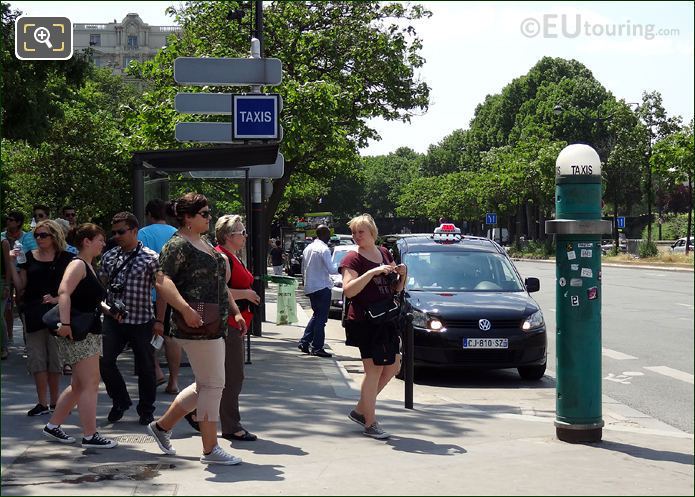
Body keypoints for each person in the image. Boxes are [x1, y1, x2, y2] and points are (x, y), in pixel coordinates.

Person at [147, 193, 247, 466]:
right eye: (204, 213)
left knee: (207, 384)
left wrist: (235, 312)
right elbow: (162, 281)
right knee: (213, 385)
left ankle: (162, 427)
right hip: (196, 324)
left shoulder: (202, 242)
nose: (209, 216)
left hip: (213, 323)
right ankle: (210, 448)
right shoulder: (177, 245)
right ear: (187, 217)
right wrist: (185, 309)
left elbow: (218, 283)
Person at [41, 223, 118, 448]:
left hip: (87, 329)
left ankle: (53, 426)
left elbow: (88, 299)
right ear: (87, 241)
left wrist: (109, 311)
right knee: (90, 383)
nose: (104, 244)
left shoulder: (88, 265)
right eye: (100, 240)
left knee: (79, 383)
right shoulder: (78, 264)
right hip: (78, 331)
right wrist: (65, 323)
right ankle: (90, 435)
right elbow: (64, 292)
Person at [339, 214, 407, 440]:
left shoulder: (384, 253)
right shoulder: (352, 259)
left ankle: (361, 409)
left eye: (361, 232)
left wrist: (402, 276)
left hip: (386, 318)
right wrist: (371, 273)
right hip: (365, 321)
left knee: (394, 365)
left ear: (372, 233)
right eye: (354, 232)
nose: (357, 236)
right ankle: (370, 422)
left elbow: (395, 289)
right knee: (374, 370)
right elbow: (348, 290)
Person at [99, 212, 162, 426]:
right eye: (114, 232)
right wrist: (107, 309)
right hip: (113, 319)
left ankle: (146, 409)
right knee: (104, 361)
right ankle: (120, 400)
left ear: (134, 230)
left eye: (121, 231)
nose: (116, 236)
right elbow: (101, 288)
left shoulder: (150, 257)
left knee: (145, 367)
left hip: (142, 320)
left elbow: (162, 291)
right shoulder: (109, 256)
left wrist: (160, 321)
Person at [8, 220, 74, 416]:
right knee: (37, 359)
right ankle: (42, 403)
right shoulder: (28, 257)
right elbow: (21, 286)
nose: (38, 238)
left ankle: (55, 402)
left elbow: (73, 287)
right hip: (34, 312)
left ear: (54, 236)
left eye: (43, 235)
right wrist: (11, 262)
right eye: (36, 235)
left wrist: (56, 299)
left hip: (57, 314)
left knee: (55, 359)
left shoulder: (67, 258)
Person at [213, 214, 258, 442]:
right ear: (229, 236)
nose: (245, 236)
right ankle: (231, 426)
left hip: (236, 322)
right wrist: (247, 294)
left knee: (219, 376)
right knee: (233, 376)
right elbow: (221, 290)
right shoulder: (223, 256)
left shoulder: (231, 255)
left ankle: (193, 410)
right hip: (228, 323)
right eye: (242, 232)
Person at [138, 199, 179, 395]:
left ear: (148, 214)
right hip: (173, 293)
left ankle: (156, 370)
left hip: (150, 293)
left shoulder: (143, 234)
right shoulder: (176, 234)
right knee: (171, 338)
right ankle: (174, 381)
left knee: (148, 335)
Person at [298, 224, 338, 357]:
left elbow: (303, 267)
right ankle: (317, 347)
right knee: (321, 318)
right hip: (322, 286)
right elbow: (332, 270)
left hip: (310, 286)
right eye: (328, 235)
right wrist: (343, 267)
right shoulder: (323, 249)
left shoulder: (308, 248)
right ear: (325, 235)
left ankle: (305, 342)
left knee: (316, 315)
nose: (329, 238)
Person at [2, 211, 37, 340]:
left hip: (21, 273)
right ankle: (8, 336)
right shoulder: (2, 237)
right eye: (7, 219)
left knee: (21, 304)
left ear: (18, 223)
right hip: (6, 274)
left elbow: (34, 253)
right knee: (6, 307)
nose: (8, 221)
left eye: (11, 219)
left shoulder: (28, 237)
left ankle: (26, 334)